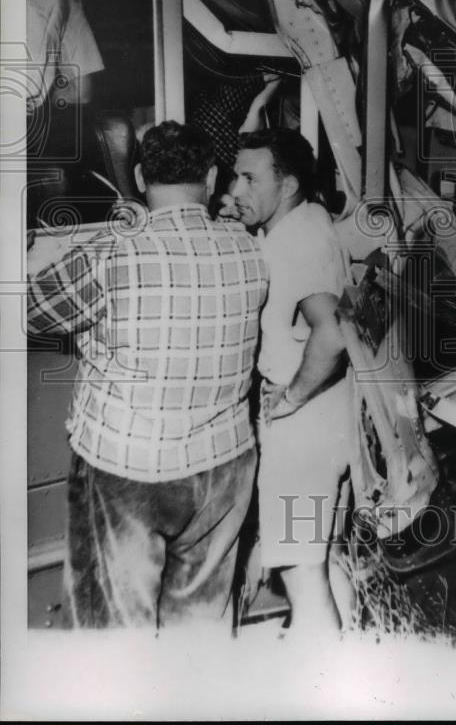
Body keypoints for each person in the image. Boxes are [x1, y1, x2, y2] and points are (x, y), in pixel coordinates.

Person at [27, 121, 268, 629]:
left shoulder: (110, 256)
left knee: (117, 630)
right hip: (223, 468)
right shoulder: (250, 250)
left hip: (128, 468)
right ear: (210, 175)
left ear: (138, 177)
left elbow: (28, 309)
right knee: (199, 629)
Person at [230, 127, 353, 637]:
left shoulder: (296, 243)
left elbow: (333, 332)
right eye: (235, 176)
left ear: (288, 186)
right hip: (325, 421)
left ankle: (316, 670)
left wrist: (291, 398)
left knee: (304, 575)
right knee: (319, 561)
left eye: (249, 178)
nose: (236, 190)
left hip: (304, 434)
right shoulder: (310, 221)